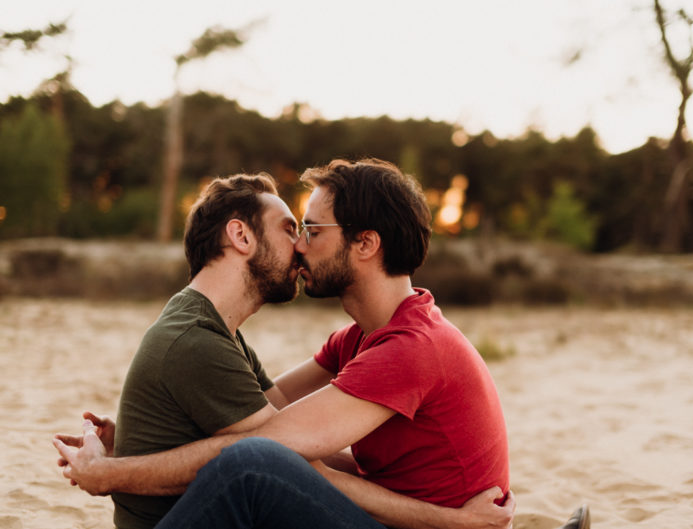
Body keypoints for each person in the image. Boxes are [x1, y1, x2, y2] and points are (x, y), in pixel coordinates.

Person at [55, 167, 516, 529]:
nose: (299, 246)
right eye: (295, 229)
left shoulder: (408, 347)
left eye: (312, 230)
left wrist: (110, 473)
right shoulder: (358, 339)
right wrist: (145, 437)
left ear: (366, 243)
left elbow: (273, 446)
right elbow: (279, 427)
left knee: (252, 462)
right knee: (258, 458)